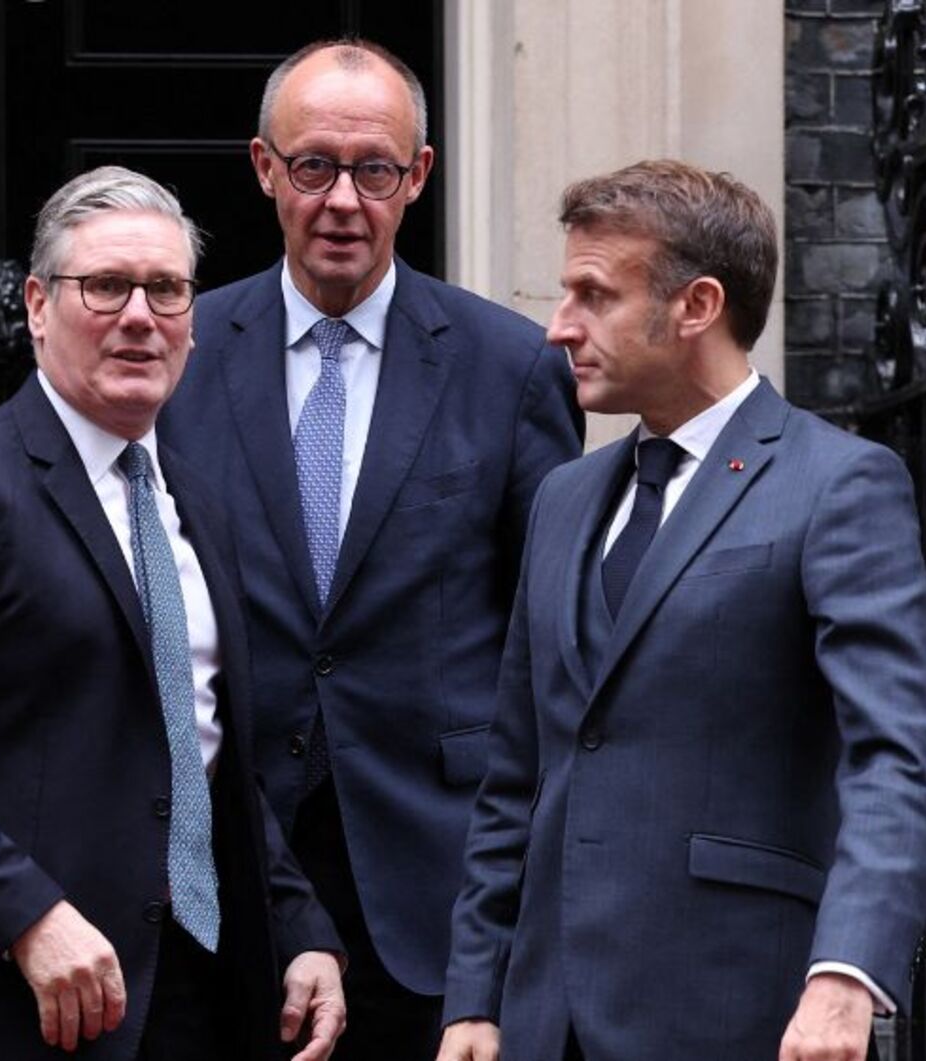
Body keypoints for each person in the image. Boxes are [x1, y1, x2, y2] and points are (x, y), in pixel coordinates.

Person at [0, 165, 346, 1061]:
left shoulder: (197, 505)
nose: (140, 315)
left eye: (167, 290)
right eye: (105, 285)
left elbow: (200, 751)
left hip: (178, 997)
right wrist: (23, 912)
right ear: (36, 305)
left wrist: (298, 926)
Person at [437, 160, 926, 1061]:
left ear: (697, 305)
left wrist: (846, 972)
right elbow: (515, 775)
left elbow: (893, 757)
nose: (560, 327)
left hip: (744, 1012)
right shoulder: (563, 498)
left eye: (595, 295)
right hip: (545, 1023)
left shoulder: (838, 484)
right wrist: (475, 997)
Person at [157, 37, 584, 1060]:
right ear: (265, 169)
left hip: (436, 883)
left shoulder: (512, 366)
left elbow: (549, 639)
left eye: (375, 170)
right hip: (234, 863)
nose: (343, 201)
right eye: (314, 166)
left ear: (420, 175)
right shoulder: (181, 357)